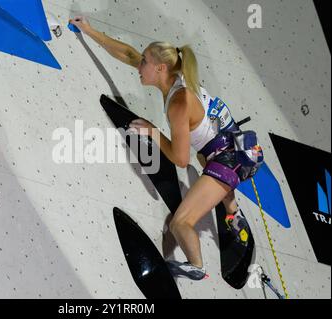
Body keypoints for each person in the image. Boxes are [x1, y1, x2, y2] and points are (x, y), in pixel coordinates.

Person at [69, 16, 262, 281]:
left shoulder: (178, 103)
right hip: (231, 146)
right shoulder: (171, 75)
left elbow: (180, 160)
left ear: (160, 69)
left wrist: (152, 131)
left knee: (179, 223)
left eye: (145, 62)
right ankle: (233, 214)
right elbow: (128, 54)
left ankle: (196, 266)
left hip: (233, 157)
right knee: (202, 154)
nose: (140, 66)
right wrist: (89, 30)